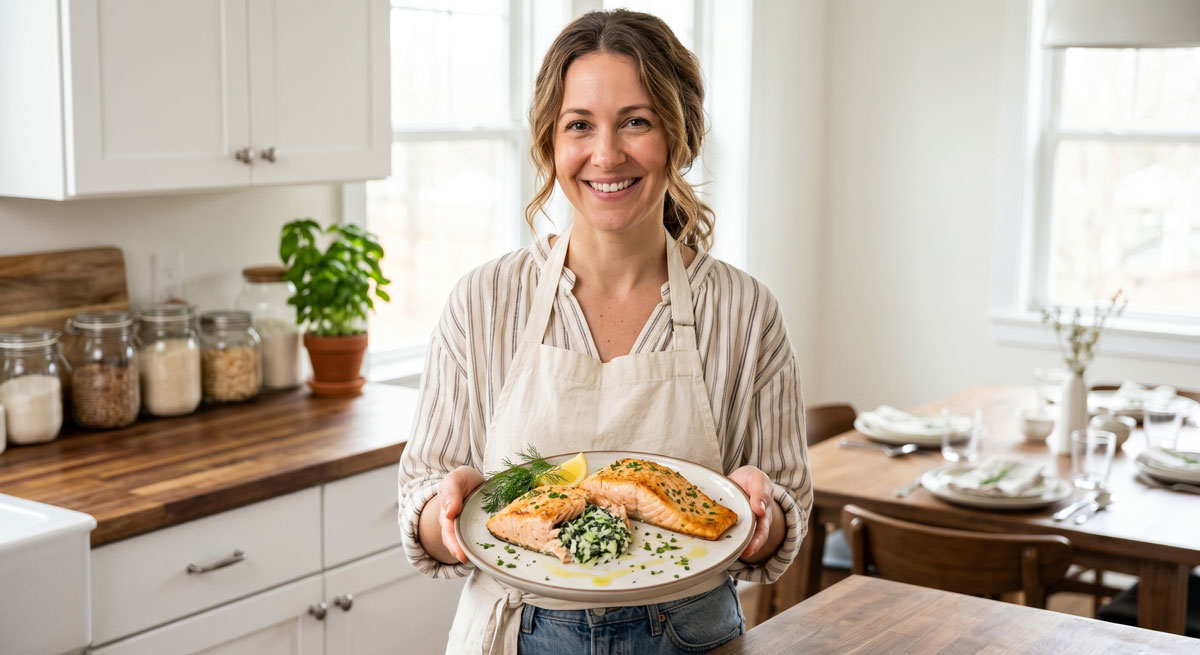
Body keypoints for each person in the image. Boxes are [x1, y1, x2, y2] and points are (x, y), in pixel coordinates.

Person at [398, 9, 812, 655]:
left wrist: (765, 513)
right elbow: (422, 495)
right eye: (579, 125)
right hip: (515, 631)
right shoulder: (485, 300)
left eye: (636, 122)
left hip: (690, 634)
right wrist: (443, 511)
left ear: (679, 135)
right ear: (549, 143)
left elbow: (786, 501)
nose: (607, 154)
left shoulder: (743, 309)